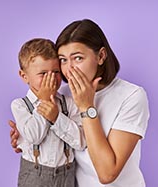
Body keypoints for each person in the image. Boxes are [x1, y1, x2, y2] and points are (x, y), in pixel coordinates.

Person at [9, 19, 150, 187]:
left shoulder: (131, 96)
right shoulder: (63, 94)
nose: (69, 69)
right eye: (63, 60)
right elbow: (51, 136)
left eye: (78, 58)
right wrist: (25, 137)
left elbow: (107, 174)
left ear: (101, 56)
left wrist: (86, 107)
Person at [11, 38, 86, 187]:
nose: (52, 78)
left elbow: (81, 142)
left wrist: (57, 118)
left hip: (66, 176)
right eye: (43, 73)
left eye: (56, 72)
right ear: (24, 76)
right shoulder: (20, 105)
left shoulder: (69, 103)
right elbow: (34, 136)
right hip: (34, 176)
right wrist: (45, 101)